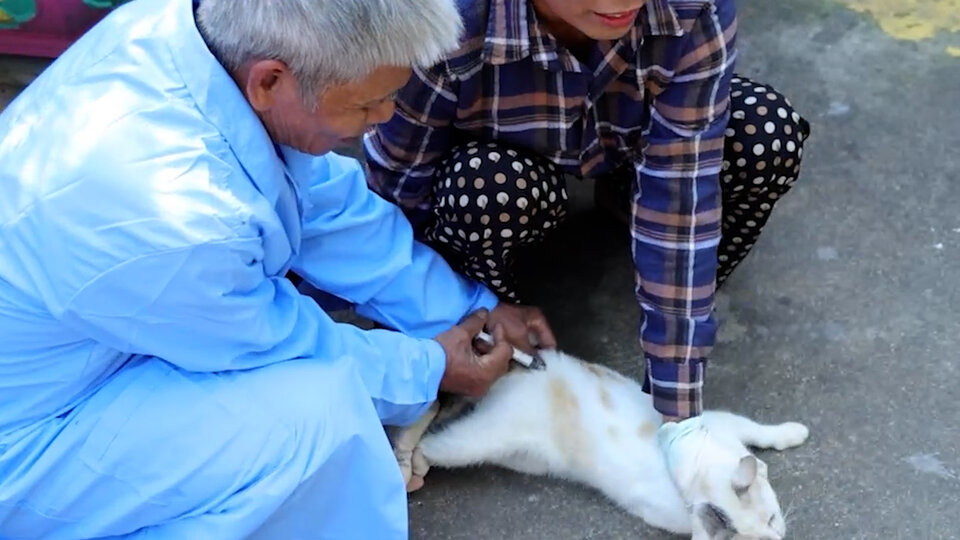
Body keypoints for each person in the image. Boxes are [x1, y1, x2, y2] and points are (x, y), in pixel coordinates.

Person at [0, 0, 555, 538]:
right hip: (28, 443)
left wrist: (468, 308)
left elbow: (321, 199)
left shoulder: (192, 35)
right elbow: (273, 349)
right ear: (268, 82)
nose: (384, 117)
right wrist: (430, 367)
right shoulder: (178, 217)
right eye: (366, 106)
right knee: (315, 421)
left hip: (91, 335)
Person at [365, 0, 811, 424]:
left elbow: (682, 193)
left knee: (765, 135)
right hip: (498, 170)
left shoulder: (690, 8)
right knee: (485, 186)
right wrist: (450, 310)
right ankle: (493, 301)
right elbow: (401, 187)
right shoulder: (444, 19)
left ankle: (626, 203)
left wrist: (676, 402)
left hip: (626, 144)